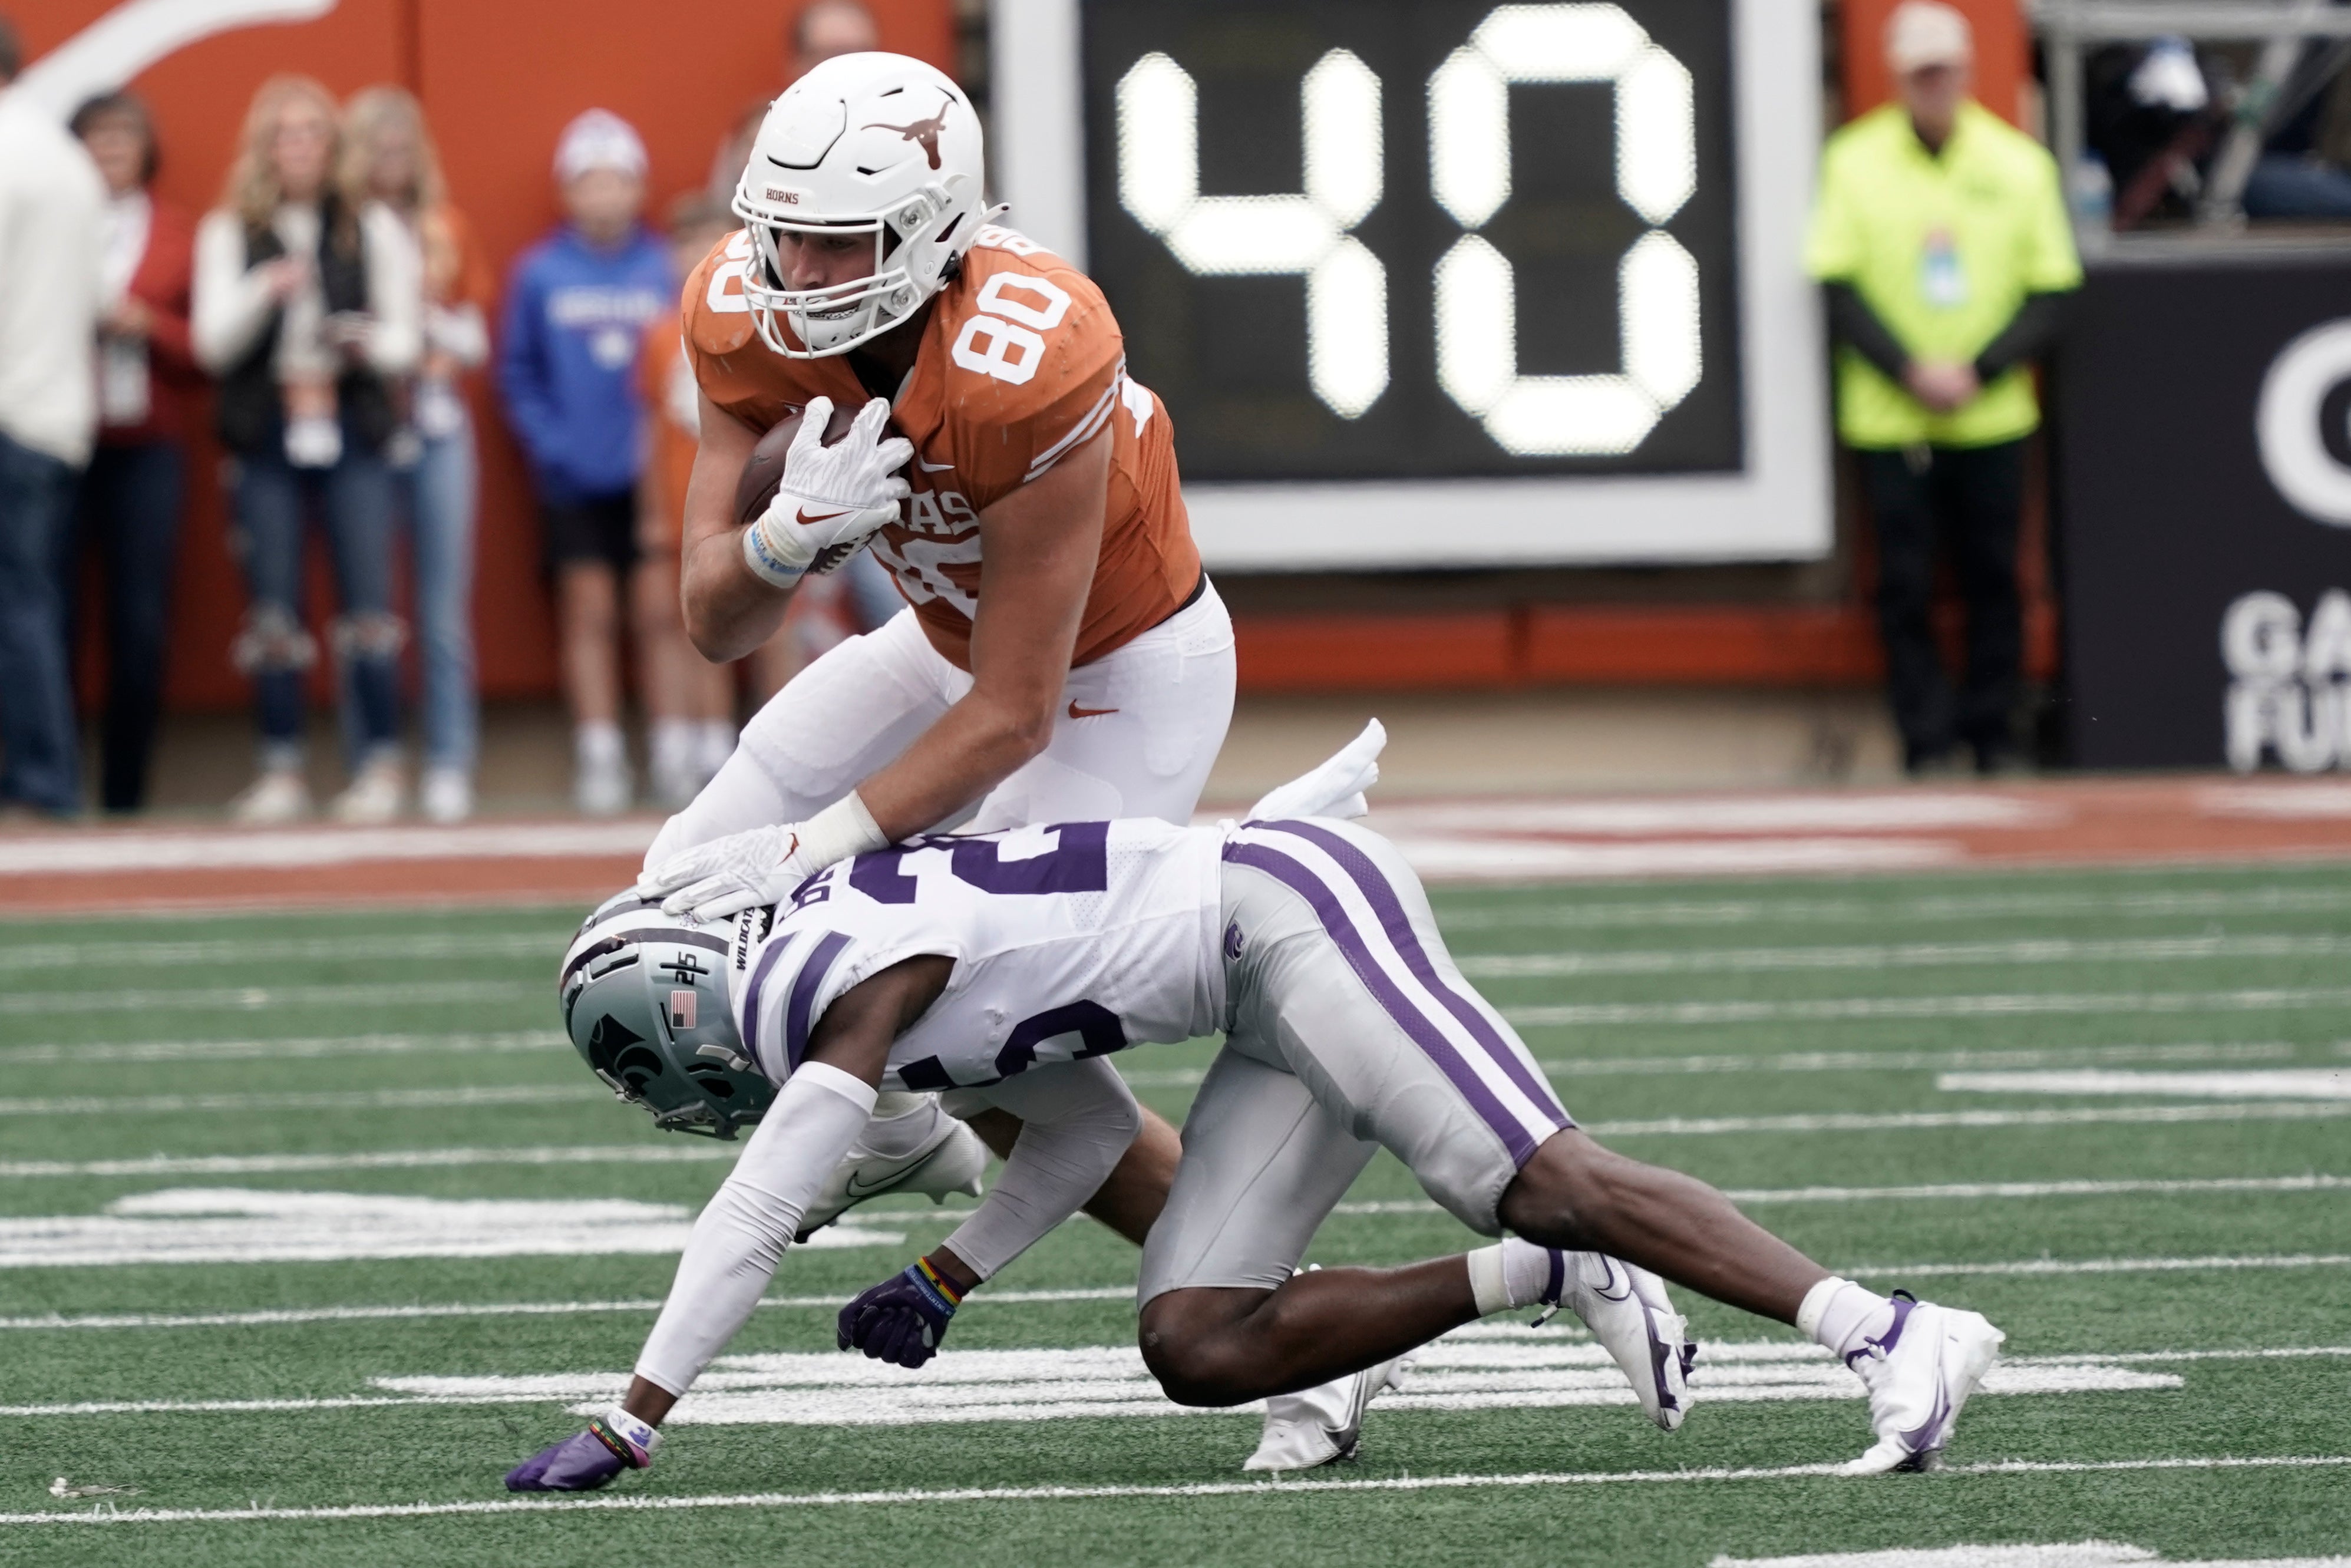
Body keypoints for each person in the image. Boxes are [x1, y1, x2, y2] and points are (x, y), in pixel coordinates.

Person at [508, 732, 2006, 1491]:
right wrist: (948, 1273)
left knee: (1536, 1169)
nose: (671, 1090)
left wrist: (632, 1421)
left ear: (684, 996)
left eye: (646, 1059)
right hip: (1252, 998)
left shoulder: (833, 984)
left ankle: (1886, 1331)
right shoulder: (863, 985)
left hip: (1290, 913)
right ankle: (1546, 1279)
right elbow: (1089, 1135)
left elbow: (759, 1212)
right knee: (1198, 1341)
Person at [628, 47, 1268, 1450]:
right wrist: (788, 539)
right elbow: (712, 621)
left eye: (833, 239)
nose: (792, 268)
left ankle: (1280, 1318)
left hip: (1118, 673)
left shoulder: (1033, 352)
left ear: (927, 232)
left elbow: (1015, 710)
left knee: (966, 1009)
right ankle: (910, 1129)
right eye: (779, 229)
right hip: (942, 635)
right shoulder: (741, 309)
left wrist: (811, 853)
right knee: (672, 900)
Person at [1804, 0, 2081, 776]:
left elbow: (2051, 290)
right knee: (1902, 583)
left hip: (1990, 413)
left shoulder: (2016, 164)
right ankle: (1924, 738)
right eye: (1920, 72)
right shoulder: (1854, 162)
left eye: (1944, 69)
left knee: (1996, 577)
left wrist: (1977, 368)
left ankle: (1993, 732)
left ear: (1965, 71)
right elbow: (1836, 285)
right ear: (1898, 78)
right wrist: (1909, 369)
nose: (1934, 84)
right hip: (1891, 416)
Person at [194, 74, 422, 824]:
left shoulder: (370, 225)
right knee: (274, 608)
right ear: (262, 148)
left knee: (367, 600)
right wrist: (266, 290)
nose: (298, 147)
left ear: (333, 146)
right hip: (267, 431)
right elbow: (210, 344)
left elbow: (405, 338)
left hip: (351, 427)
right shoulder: (232, 228)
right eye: (283, 133)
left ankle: (381, 764)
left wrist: (359, 343)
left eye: (311, 132)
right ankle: (283, 766)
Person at [497, 109, 675, 816]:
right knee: (590, 612)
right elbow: (518, 374)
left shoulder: (663, 267)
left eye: (617, 181)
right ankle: (599, 751)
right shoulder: (541, 274)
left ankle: (672, 745)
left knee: (662, 614)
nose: (604, 196)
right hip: (571, 477)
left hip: (654, 476)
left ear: (638, 188)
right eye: (589, 183)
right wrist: (555, 446)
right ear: (568, 193)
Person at [344, 87, 491, 824]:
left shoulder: (443, 226)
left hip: (436, 424)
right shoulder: (340, 231)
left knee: (441, 608)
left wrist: (429, 325)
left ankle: (449, 759)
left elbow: (476, 339)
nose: (391, 163)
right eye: (378, 148)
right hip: (363, 427)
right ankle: (373, 759)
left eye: (403, 148)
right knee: (366, 604)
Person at [65, 91, 198, 816]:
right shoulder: (47, 222)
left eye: (124, 135)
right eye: (96, 137)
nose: (111, 149)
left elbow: (204, 350)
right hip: (58, 437)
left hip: (147, 446)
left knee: (140, 624)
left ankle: (124, 795)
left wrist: (147, 324)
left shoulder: (177, 232)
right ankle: (46, 785)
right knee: (45, 621)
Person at [0, 16, 104, 820]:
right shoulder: (63, 157)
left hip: (13, 410)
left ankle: (40, 782)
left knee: (21, 607)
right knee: (31, 603)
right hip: (58, 407)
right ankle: (37, 775)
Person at [638, 192, 744, 806]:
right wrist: (651, 508)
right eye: (687, 243)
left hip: (738, 508)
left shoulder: (754, 329)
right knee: (669, 621)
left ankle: (725, 743)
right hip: (677, 499)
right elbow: (648, 426)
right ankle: (675, 744)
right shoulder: (658, 336)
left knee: (745, 623)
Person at [705, 0, 882, 204]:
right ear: (796, 61)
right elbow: (726, 219)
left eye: (863, 53)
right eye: (833, 54)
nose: (849, 65)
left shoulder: (900, 128)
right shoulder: (759, 131)